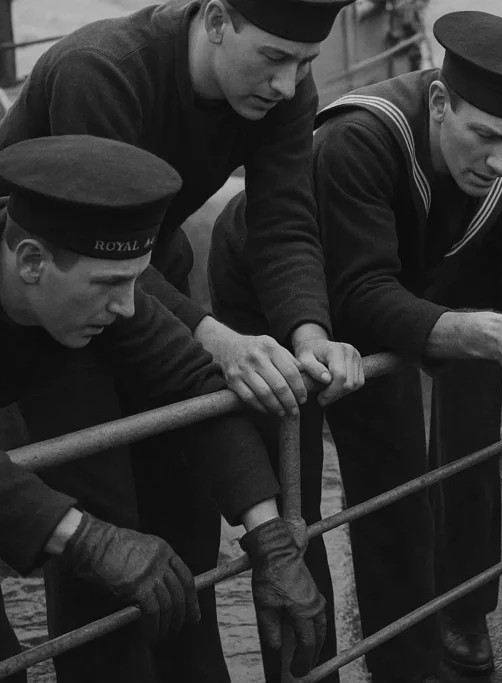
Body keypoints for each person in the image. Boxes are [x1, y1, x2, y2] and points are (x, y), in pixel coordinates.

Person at [208, 10, 502, 680]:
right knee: (292, 517)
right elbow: (358, 292)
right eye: (485, 137)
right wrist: (488, 332)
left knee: (396, 500)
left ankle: (405, 666)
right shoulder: (360, 138)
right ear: (440, 104)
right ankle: (306, 671)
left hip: (386, 304)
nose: (501, 160)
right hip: (274, 297)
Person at [0, 1, 363, 678]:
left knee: (183, 513)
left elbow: (281, 221)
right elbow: (89, 250)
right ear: (218, 19)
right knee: (99, 517)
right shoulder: (101, 72)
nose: (287, 84)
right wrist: (85, 535)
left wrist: (268, 536)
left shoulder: (120, 284)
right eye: (273, 58)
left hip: (109, 274)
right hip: (65, 284)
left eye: (304, 63)